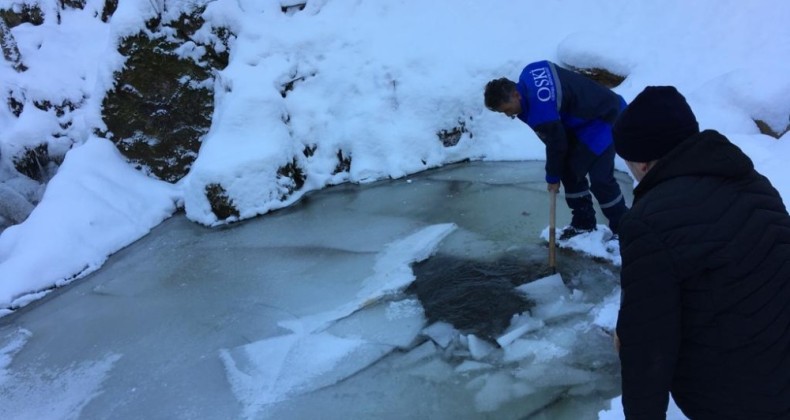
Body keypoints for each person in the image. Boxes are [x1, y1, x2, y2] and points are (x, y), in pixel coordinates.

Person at [612, 85, 790, 419]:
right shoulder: (754, 184)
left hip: (736, 399)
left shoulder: (647, 222)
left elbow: (648, 344)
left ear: (643, 163)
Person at [484, 60, 628, 240]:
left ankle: (625, 229)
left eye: (507, 109)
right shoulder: (530, 71)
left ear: (516, 94)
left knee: (601, 180)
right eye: (503, 113)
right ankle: (583, 223)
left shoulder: (540, 111)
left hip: (607, 117)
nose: (508, 115)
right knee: (569, 170)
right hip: (585, 120)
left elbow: (557, 145)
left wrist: (552, 178)